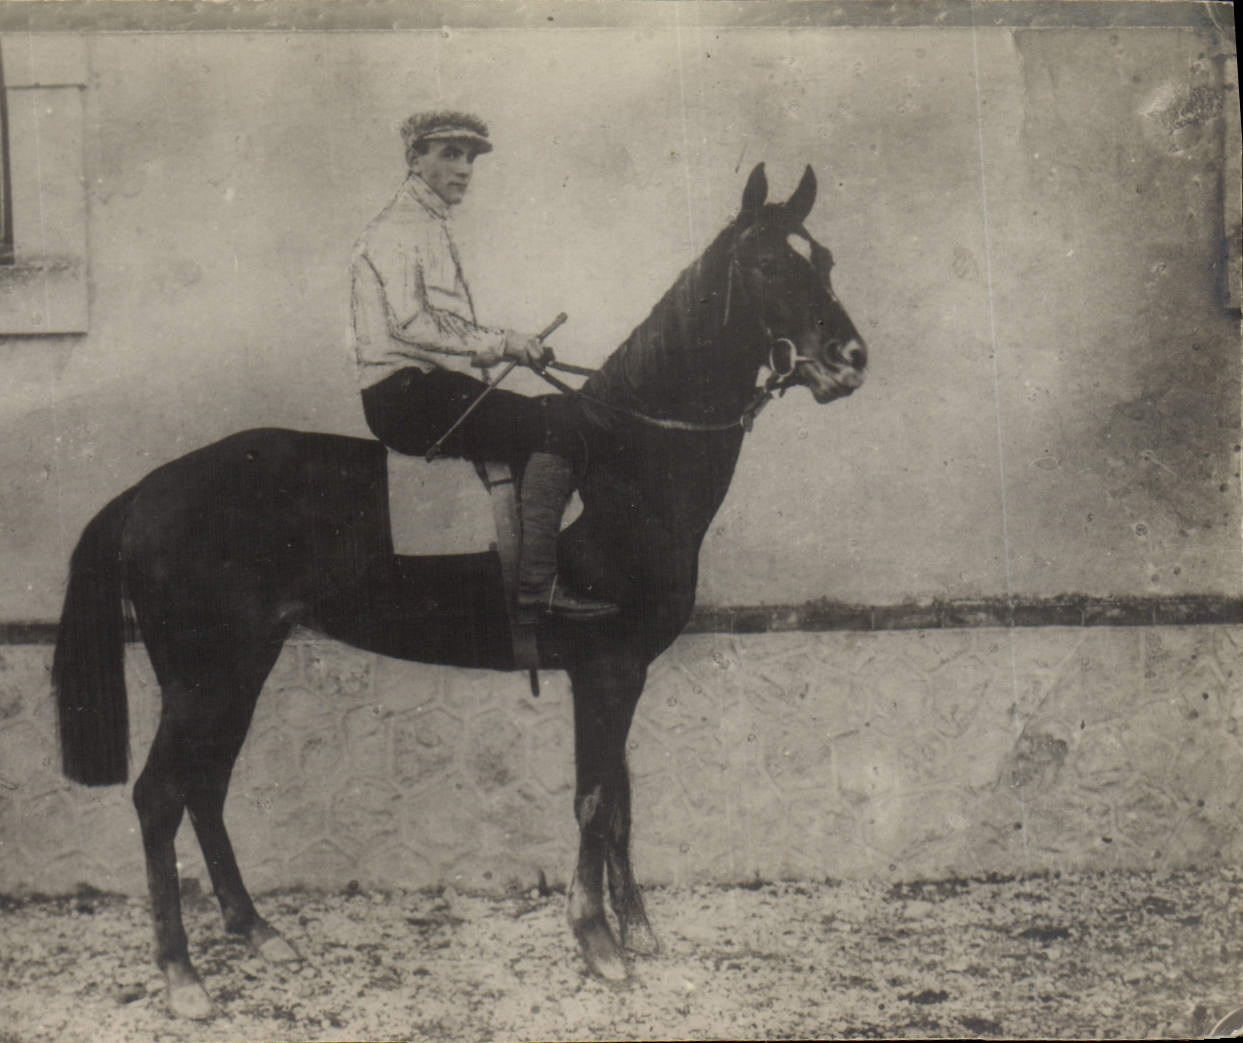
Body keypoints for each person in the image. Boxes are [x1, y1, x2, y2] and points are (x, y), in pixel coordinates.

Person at [351, 110, 616, 622]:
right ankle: (538, 586)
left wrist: (503, 344)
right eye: (450, 153)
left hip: (430, 387)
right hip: (405, 396)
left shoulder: (427, 223)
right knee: (560, 423)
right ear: (414, 158)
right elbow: (413, 323)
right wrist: (504, 343)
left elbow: (442, 324)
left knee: (561, 411)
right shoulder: (398, 228)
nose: (465, 168)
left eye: (470, 157)